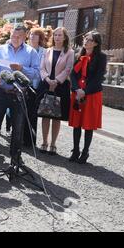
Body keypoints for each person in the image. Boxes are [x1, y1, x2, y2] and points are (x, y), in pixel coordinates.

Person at [0, 25, 40, 165]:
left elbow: (37, 73)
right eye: (13, 36)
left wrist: (22, 68)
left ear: (25, 36)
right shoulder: (1, 49)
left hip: (19, 95)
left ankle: (15, 156)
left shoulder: (31, 52)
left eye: (18, 36)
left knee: (18, 127)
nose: (15, 39)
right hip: (2, 92)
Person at [69, 31, 107, 164]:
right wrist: (76, 89)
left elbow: (98, 78)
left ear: (96, 43)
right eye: (85, 39)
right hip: (77, 93)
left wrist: (85, 91)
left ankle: (85, 152)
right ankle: (75, 150)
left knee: (88, 124)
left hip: (91, 94)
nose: (86, 41)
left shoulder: (101, 57)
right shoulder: (78, 54)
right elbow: (73, 74)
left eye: (90, 40)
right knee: (77, 124)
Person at [38, 27, 75, 155]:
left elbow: (68, 69)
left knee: (56, 116)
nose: (57, 37)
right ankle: (44, 142)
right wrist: (48, 80)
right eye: (55, 35)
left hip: (61, 86)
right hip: (46, 85)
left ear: (65, 37)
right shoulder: (47, 51)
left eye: (60, 35)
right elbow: (41, 68)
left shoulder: (70, 52)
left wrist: (57, 81)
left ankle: (53, 144)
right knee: (45, 114)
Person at [23, 28, 48, 148]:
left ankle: (30, 141)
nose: (32, 36)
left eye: (36, 35)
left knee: (33, 114)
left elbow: (44, 68)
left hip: (37, 87)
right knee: (22, 113)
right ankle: (19, 137)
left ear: (40, 38)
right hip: (23, 85)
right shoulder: (24, 49)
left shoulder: (44, 52)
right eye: (31, 34)